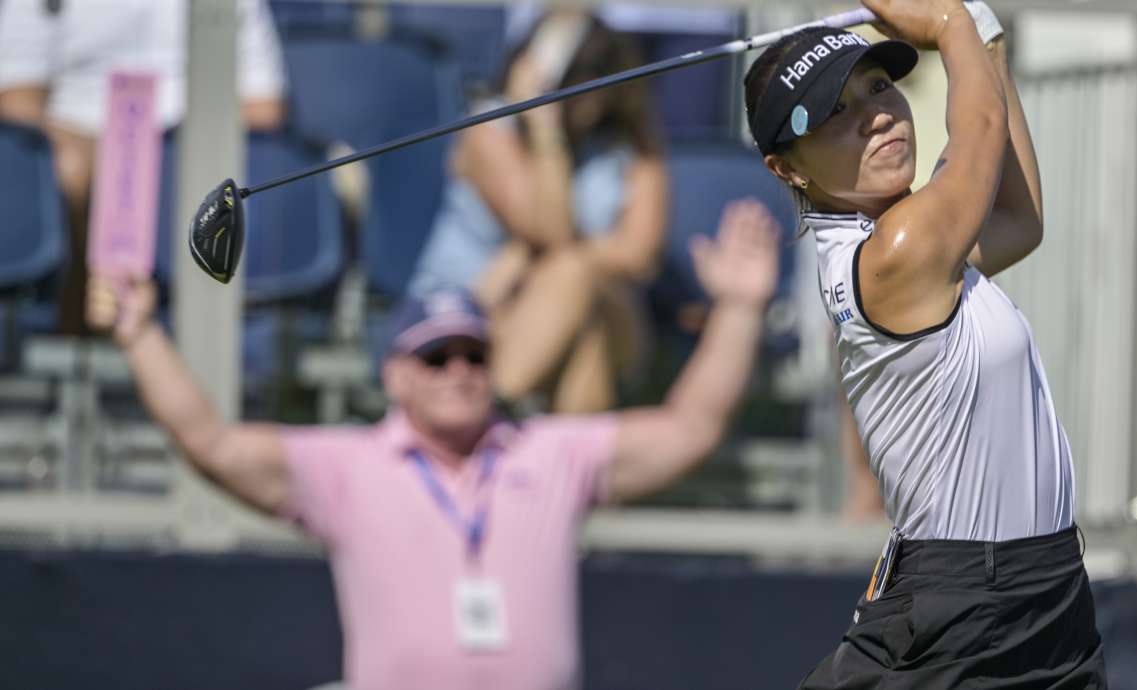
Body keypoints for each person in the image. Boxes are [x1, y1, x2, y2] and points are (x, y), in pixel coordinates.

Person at [87, 200, 779, 690]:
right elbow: (209, 443)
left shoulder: (546, 452)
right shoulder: (350, 467)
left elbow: (691, 428)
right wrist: (141, 335)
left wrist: (740, 309)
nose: (460, 373)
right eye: (437, 357)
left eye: (474, 355)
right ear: (395, 375)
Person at [742, 0, 1106, 687]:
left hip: (1046, 588)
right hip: (967, 603)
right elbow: (982, 128)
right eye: (832, 113)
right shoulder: (899, 251)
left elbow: (1018, 220)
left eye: (879, 88)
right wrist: (948, 23)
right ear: (785, 168)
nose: (876, 115)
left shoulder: (910, 242)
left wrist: (985, 39)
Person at [409, 9, 669, 414]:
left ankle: (486, 418)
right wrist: (544, 130)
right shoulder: (489, 131)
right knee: (587, 334)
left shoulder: (631, 145)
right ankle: (562, 471)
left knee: (574, 273)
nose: (576, 95)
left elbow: (638, 255)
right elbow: (549, 230)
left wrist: (529, 258)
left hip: (599, 309)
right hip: (476, 312)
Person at [0, 0, 287, 335]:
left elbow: (264, 108)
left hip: (187, 156)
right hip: (77, 159)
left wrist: (145, 154)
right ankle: (82, 335)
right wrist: (117, 158)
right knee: (66, 171)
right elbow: (15, 101)